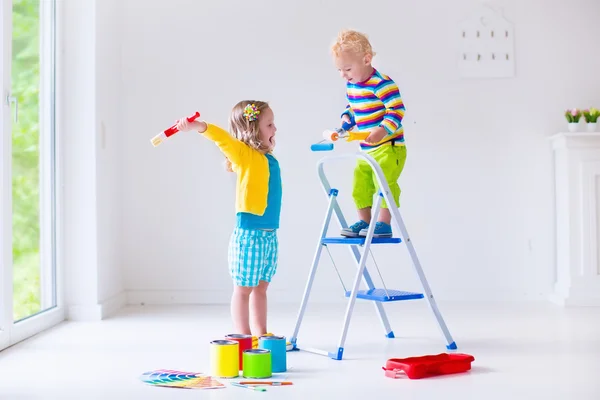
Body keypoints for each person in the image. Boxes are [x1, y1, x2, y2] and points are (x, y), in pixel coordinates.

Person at [175, 100, 281, 337]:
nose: (275, 129)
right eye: (270, 124)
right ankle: (242, 336)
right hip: (250, 234)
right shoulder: (245, 155)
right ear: (253, 129)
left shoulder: (268, 159)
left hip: (269, 234)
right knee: (243, 289)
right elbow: (222, 139)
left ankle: (261, 334)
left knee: (262, 288)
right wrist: (199, 126)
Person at [331, 29, 407, 238]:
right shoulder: (352, 85)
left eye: (347, 68)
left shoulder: (382, 83)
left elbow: (397, 110)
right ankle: (364, 221)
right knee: (360, 183)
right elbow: (355, 108)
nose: (343, 74)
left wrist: (382, 130)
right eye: (339, 70)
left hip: (389, 147)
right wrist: (347, 118)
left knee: (383, 182)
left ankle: (383, 223)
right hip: (366, 149)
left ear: (366, 59)